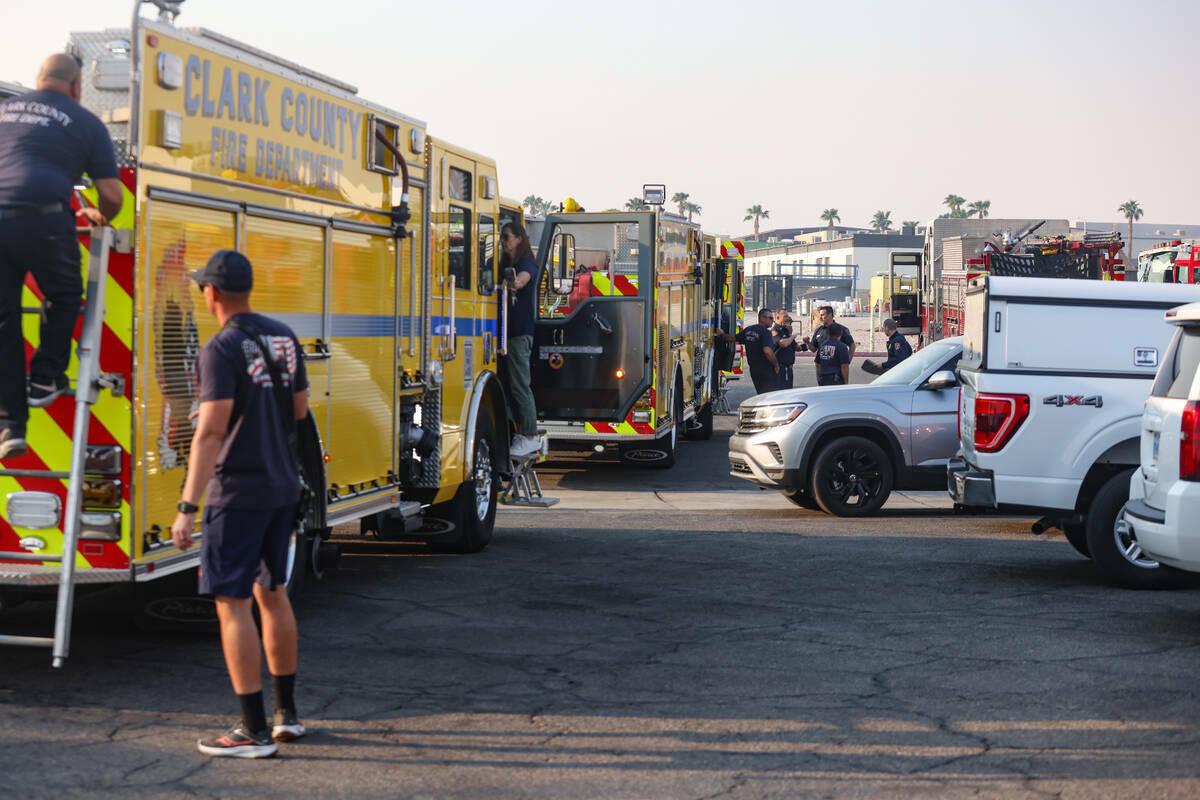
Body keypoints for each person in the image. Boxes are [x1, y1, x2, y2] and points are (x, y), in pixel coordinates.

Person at [170, 250, 309, 758]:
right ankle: (285, 716)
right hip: (282, 487)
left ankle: (249, 730)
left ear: (212, 294)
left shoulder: (221, 348)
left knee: (233, 604)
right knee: (273, 592)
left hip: (239, 492)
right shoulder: (283, 337)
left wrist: (187, 507)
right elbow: (299, 411)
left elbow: (210, 431)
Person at [0, 54, 123, 460]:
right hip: (45, 222)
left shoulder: (4, 111)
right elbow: (112, 194)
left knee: (4, 323)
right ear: (75, 87)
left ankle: (10, 427)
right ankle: (46, 378)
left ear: (38, 80)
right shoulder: (86, 122)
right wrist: (102, 216)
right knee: (66, 294)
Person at [498, 222, 541, 458]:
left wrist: (513, 283)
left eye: (506, 237)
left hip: (518, 335)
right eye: (502, 237)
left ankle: (530, 436)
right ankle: (517, 432)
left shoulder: (525, 264)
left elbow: (522, 280)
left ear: (519, 239)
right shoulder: (505, 264)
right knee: (506, 385)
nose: (503, 241)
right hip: (505, 335)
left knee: (519, 386)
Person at [723, 307, 779, 394]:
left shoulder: (749, 329)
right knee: (769, 395)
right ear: (762, 318)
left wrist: (721, 335)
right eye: (771, 318)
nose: (773, 321)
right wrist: (776, 365)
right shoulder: (766, 332)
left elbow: (733, 338)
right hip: (766, 369)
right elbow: (767, 351)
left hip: (754, 370)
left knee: (760, 394)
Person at [771, 309, 802, 390]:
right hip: (779, 368)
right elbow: (783, 344)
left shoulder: (786, 331)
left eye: (788, 316)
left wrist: (806, 343)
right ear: (777, 317)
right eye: (785, 316)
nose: (788, 318)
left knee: (788, 391)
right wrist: (793, 336)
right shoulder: (775, 331)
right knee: (780, 392)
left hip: (788, 368)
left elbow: (796, 347)